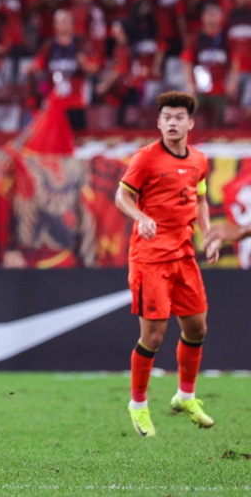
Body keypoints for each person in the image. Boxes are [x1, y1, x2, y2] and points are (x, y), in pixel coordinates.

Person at [113, 91, 214, 436]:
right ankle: (138, 405)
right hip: (150, 257)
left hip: (184, 253)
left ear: (190, 123)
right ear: (159, 123)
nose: (173, 122)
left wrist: (209, 232)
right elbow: (121, 195)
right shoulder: (146, 159)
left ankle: (185, 396)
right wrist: (140, 216)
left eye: (179, 117)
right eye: (167, 117)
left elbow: (199, 198)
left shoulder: (199, 160)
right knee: (153, 336)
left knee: (197, 327)